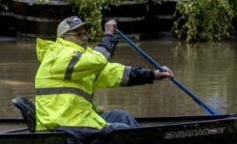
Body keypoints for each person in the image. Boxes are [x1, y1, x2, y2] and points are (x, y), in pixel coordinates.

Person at [34, 16, 174, 132]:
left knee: (122, 117)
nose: (85, 38)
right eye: (78, 34)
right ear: (63, 38)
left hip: (77, 119)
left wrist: (153, 75)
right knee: (121, 130)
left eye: (85, 33)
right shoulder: (60, 56)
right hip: (62, 123)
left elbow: (115, 73)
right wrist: (108, 36)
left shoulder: (81, 61)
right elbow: (99, 60)